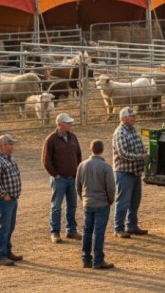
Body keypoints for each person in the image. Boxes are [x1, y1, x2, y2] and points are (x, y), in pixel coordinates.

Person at [41, 112, 83, 243]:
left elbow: (78, 155)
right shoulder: (51, 139)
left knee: (72, 205)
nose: (70, 124)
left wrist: (77, 171)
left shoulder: (73, 137)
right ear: (59, 124)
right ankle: (55, 232)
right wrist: (55, 174)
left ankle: (71, 230)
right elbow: (46, 160)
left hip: (72, 178)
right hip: (59, 179)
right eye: (67, 123)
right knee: (56, 206)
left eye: (70, 122)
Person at [76, 139, 116, 270]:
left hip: (88, 202)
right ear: (102, 150)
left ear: (91, 149)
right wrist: (110, 200)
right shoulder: (106, 167)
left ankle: (86, 259)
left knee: (87, 230)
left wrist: (83, 198)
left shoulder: (82, 165)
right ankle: (98, 260)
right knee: (99, 232)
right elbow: (111, 188)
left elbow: (78, 185)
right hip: (102, 203)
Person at [112, 107, 149, 238]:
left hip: (134, 172)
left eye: (134, 116)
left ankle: (132, 226)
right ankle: (118, 228)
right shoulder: (120, 133)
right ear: (123, 118)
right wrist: (141, 157)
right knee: (123, 201)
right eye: (131, 116)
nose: (134, 118)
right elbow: (123, 153)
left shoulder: (132, 130)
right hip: (124, 172)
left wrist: (144, 152)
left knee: (134, 201)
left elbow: (140, 146)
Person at [0, 134, 23, 266]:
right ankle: (0, 255)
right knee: (4, 227)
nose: (12, 147)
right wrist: (5, 195)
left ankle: (7, 251)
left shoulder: (9, 159)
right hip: (4, 199)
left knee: (10, 226)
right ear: (2, 146)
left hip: (12, 198)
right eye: (10, 144)